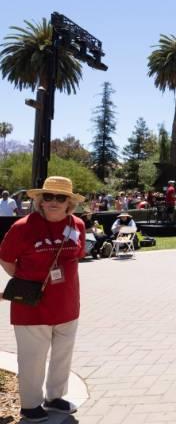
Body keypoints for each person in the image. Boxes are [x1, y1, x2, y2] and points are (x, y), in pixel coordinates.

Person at [0, 176, 86, 422]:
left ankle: (55, 397)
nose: (53, 202)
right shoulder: (23, 227)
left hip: (68, 304)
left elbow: (77, 255)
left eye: (60, 197)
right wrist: (25, 282)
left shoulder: (77, 224)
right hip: (31, 307)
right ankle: (30, 405)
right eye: (48, 197)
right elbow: (6, 258)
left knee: (62, 355)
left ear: (69, 202)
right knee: (32, 359)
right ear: (40, 200)